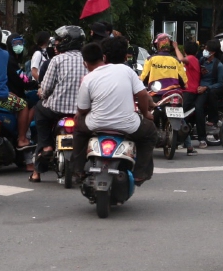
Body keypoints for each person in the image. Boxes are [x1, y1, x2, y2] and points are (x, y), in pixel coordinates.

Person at [70, 37, 158, 185]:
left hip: (96, 125)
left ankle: (78, 169)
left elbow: (83, 109)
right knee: (150, 132)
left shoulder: (88, 78)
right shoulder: (127, 70)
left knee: (78, 129)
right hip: (129, 126)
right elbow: (143, 95)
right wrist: (146, 114)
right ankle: (141, 172)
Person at [30, 25, 87, 182]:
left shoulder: (57, 60)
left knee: (40, 110)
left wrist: (42, 93)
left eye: (60, 40)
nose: (56, 43)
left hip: (56, 109)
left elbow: (46, 88)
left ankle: (46, 147)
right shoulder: (88, 60)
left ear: (67, 41)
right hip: (82, 111)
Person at [191, 44, 223, 148]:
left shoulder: (219, 65)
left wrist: (206, 88)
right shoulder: (201, 61)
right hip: (195, 87)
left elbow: (220, 83)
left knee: (198, 108)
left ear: (213, 52)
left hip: (206, 90)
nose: (204, 51)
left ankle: (202, 139)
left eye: (207, 49)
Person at [181, 49, 201, 155]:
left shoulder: (191, 58)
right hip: (183, 91)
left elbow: (181, 59)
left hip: (188, 92)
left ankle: (188, 145)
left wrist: (175, 47)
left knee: (179, 117)